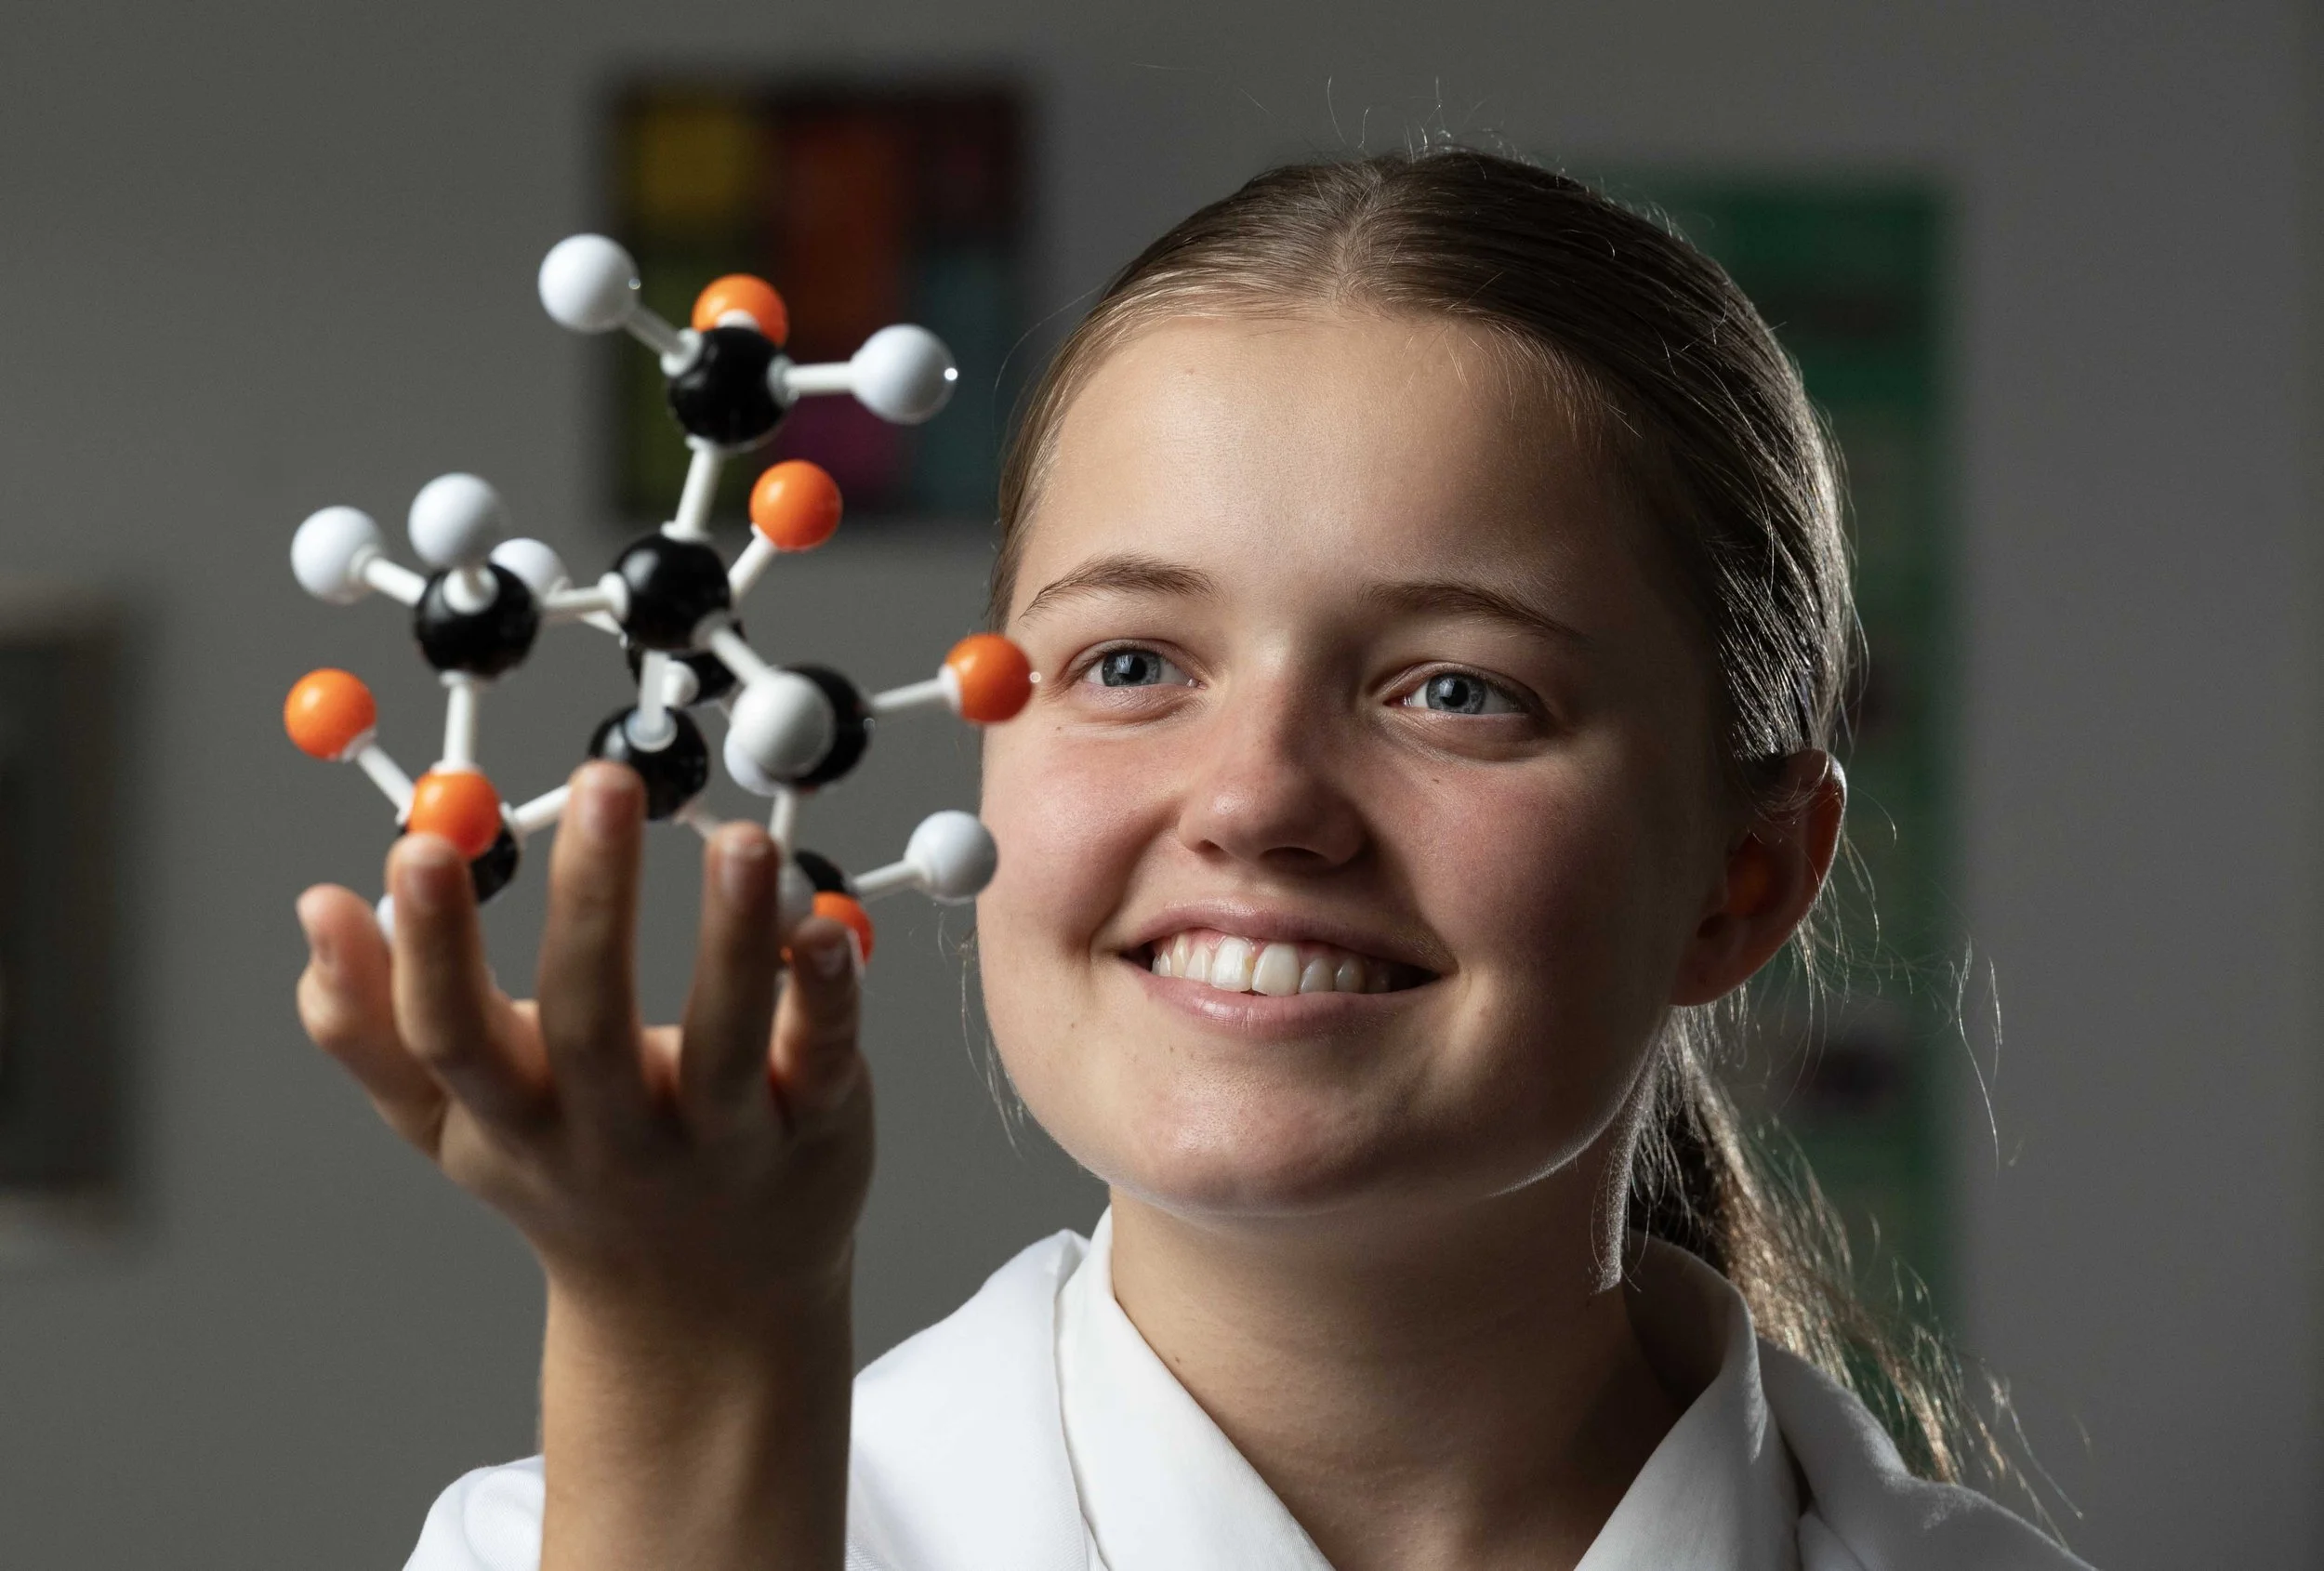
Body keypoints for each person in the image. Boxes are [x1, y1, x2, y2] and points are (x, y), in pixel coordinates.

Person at [295, 148, 2092, 1571]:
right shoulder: (587, 1544)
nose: (1254, 799)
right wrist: (691, 1343)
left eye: (1459, 689)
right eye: (1131, 664)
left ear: (1746, 877)